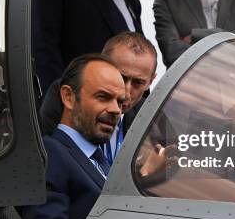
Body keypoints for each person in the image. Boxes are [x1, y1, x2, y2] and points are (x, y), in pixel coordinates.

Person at [20, 54, 126, 219]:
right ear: (68, 97)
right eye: (103, 97)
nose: (116, 109)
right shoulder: (51, 154)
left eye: (120, 101)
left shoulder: (96, 158)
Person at [38, 32, 157, 165]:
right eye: (121, 77)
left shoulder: (150, 115)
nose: (126, 92)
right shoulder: (67, 96)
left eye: (138, 82)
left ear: (151, 81)